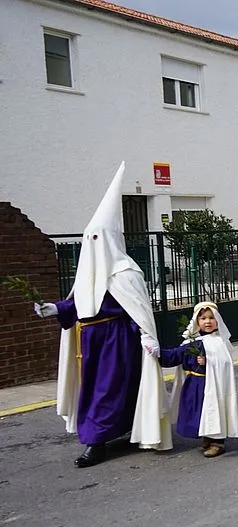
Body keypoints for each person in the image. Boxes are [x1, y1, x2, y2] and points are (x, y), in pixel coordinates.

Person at [33, 163, 169, 467]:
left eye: (98, 237)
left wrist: (147, 336)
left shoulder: (125, 271)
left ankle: (96, 442)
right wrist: (54, 308)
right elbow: (79, 304)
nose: (91, 244)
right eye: (88, 237)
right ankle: (114, 431)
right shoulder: (87, 273)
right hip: (89, 342)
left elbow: (138, 310)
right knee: (97, 389)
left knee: (107, 390)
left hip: (118, 341)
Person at [145, 302, 238, 457]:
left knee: (213, 410)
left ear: (217, 320)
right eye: (203, 318)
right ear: (197, 321)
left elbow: (225, 363)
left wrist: (208, 361)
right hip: (193, 385)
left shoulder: (219, 342)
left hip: (212, 385)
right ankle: (206, 436)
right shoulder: (191, 342)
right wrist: (157, 352)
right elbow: (176, 355)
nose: (207, 321)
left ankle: (217, 442)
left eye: (211, 318)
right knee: (197, 412)